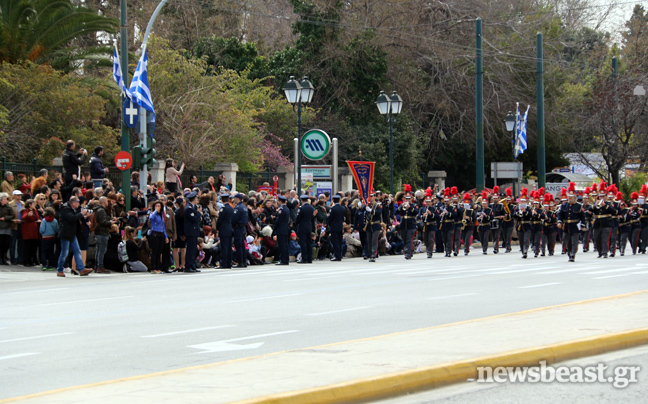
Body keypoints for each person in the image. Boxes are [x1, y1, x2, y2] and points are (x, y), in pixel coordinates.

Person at [57, 196, 93, 277]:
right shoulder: (65, 209)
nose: (79, 204)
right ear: (73, 203)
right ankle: (59, 269)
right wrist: (81, 214)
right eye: (77, 202)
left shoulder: (73, 210)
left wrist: (84, 216)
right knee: (64, 252)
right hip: (66, 234)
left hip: (72, 234)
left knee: (77, 251)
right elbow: (72, 218)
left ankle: (81, 269)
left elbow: (76, 218)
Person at [557, 182, 585, 262]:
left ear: (575, 197)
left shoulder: (578, 206)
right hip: (566, 226)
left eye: (571, 197)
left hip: (575, 226)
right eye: (569, 197)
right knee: (567, 241)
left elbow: (582, 216)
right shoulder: (563, 206)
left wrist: (582, 225)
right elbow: (560, 214)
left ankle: (573, 254)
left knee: (574, 242)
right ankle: (569, 253)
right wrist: (559, 222)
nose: (570, 198)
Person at [93, 197, 114, 274]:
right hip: (102, 232)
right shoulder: (101, 210)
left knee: (98, 250)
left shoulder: (98, 209)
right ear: (105, 202)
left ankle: (97, 265)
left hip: (99, 233)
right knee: (101, 250)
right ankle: (100, 266)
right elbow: (103, 222)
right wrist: (110, 222)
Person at [148, 200, 169, 274]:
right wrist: (155, 211)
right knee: (155, 251)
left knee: (159, 252)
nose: (157, 207)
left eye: (159, 206)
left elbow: (163, 227)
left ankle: (157, 267)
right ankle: (153, 268)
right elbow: (151, 218)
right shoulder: (154, 214)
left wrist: (166, 236)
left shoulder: (161, 215)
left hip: (161, 234)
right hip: (155, 233)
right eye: (156, 206)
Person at [397, 188, 418, 260]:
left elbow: (416, 212)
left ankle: (407, 253)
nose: (408, 200)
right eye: (406, 198)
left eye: (409, 198)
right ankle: (410, 250)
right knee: (404, 239)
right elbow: (396, 212)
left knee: (409, 239)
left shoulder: (414, 205)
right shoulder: (402, 205)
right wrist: (401, 206)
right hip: (403, 224)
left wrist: (410, 208)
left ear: (412, 198)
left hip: (411, 224)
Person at [184, 192, 201, 273]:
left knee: (194, 249)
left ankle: (192, 265)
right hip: (190, 231)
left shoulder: (193, 207)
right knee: (190, 249)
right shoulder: (189, 208)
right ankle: (188, 265)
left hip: (194, 231)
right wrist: (199, 213)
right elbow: (194, 218)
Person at [20, 199, 41, 267]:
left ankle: (32, 260)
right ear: (29, 205)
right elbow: (23, 217)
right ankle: (26, 261)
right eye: (33, 204)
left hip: (34, 231)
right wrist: (28, 215)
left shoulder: (35, 210)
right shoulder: (25, 210)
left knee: (33, 246)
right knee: (27, 247)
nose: (34, 205)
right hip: (28, 231)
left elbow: (37, 217)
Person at [295, 194, 315, 263]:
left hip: (302, 227)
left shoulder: (301, 208)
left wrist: (296, 223)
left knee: (303, 243)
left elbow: (298, 219)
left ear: (301, 200)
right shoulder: (311, 208)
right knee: (309, 243)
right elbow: (312, 218)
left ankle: (304, 258)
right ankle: (309, 258)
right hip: (309, 227)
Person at [216, 193, 234, 268]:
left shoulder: (223, 209)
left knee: (224, 247)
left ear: (222, 200)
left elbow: (220, 220)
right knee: (229, 247)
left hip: (224, 229)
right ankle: (229, 262)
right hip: (230, 229)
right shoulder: (230, 208)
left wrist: (217, 227)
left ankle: (223, 263)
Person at [365, 192, 383, 262]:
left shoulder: (378, 205)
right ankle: (370, 254)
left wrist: (371, 211)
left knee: (374, 241)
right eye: (369, 196)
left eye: (372, 196)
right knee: (369, 241)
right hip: (369, 225)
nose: (370, 198)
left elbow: (379, 213)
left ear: (375, 197)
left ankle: (373, 255)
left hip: (376, 225)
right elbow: (362, 210)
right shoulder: (367, 205)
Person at [232, 193, 248, 268]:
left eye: (234, 198)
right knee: (242, 245)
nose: (233, 199)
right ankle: (244, 261)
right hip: (242, 228)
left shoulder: (238, 207)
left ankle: (240, 262)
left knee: (238, 246)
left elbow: (234, 219)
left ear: (237, 199)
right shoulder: (244, 207)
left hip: (238, 228)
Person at [273, 195, 291, 265]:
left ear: (280, 201)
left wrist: (275, 228)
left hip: (281, 229)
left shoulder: (281, 209)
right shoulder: (286, 208)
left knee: (282, 245)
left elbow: (278, 220)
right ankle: (286, 259)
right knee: (285, 245)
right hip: (285, 229)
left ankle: (283, 260)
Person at [327, 194, 346, 261]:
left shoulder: (333, 209)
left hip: (334, 227)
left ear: (333, 200)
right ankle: (340, 254)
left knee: (335, 242)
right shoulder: (342, 208)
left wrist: (328, 224)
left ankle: (337, 255)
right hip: (340, 227)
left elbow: (329, 218)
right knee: (340, 241)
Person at [9, 190, 24, 265]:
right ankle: (12, 259)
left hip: (22, 224)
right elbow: (9, 214)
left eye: (20, 195)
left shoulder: (23, 203)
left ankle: (20, 258)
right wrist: (13, 220)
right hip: (14, 225)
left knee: (21, 243)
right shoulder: (10, 204)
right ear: (14, 196)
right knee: (13, 243)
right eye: (18, 195)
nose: (19, 196)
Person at [0, 192, 15, 264]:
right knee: (0, 244)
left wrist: (5, 218)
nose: (6, 200)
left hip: (7, 227)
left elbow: (12, 215)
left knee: (6, 244)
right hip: (0, 227)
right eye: (5, 199)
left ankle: (4, 258)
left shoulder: (8, 207)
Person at [173, 197, 187, 271]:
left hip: (177, 233)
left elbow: (176, 225)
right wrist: (183, 234)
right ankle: (183, 265)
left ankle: (177, 265)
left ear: (176, 204)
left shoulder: (176, 212)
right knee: (183, 249)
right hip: (184, 233)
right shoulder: (184, 211)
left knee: (175, 249)